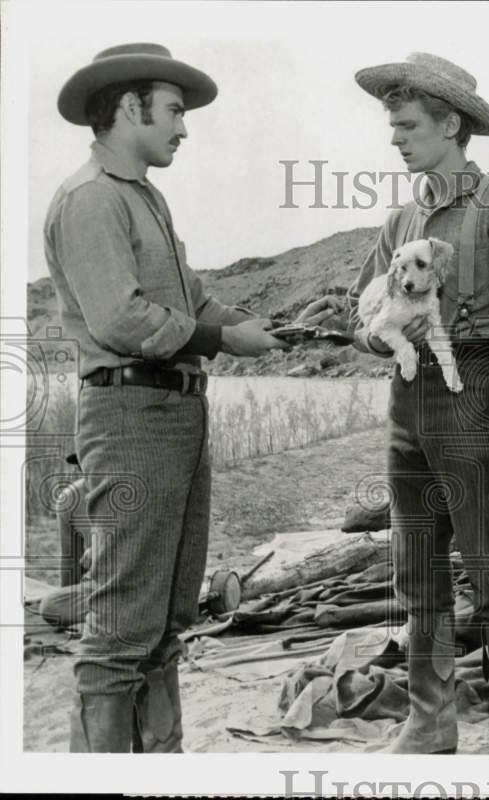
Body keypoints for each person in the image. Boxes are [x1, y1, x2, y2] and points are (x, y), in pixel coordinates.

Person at [45, 44, 326, 752]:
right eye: (172, 111)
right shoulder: (89, 201)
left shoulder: (144, 197)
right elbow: (121, 319)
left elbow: (191, 298)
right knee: (119, 629)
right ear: (129, 108)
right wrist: (224, 341)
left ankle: (160, 763)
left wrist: (251, 325)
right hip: (130, 416)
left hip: (173, 415)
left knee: (168, 618)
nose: (183, 128)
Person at [346, 53, 489, 755]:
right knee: (416, 568)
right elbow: (362, 314)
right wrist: (381, 341)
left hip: (475, 395)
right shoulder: (400, 221)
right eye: (393, 125)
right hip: (406, 403)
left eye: (407, 125)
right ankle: (429, 718)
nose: (395, 139)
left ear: (450, 123)